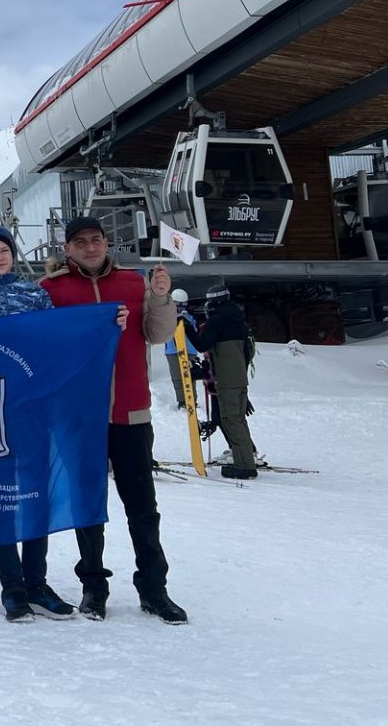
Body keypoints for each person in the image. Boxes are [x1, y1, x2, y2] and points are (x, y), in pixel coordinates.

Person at [40, 215, 186, 624]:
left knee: (142, 507)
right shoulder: (51, 290)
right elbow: (43, 344)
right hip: (78, 417)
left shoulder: (135, 282)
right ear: (67, 249)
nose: (90, 247)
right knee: (87, 505)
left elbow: (158, 335)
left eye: (96, 240)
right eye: (80, 242)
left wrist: (160, 297)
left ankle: (154, 588)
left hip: (130, 411)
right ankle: (93, 587)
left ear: (107, 244)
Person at [0, 226, 76, 623]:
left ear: (12, 253)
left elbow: (54, 342)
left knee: (36, 493)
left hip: (32, 408)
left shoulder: (35, 293)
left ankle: (37, 582)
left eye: (3, 250)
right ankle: (12, 585)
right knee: (3, 496)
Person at [194, 284, 258, 479]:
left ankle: (245, 466)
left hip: (227, 380)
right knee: (238, 420)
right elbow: (247, 353)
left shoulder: (217, 322)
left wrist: (187, 329)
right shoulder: (240, 321)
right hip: (240, 379)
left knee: (230, 421)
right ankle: (246, 458)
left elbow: (202, 344)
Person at [163, 289, 204, 411]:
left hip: (189, 349)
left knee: (190, 375)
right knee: (177, 376)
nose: (180, 308)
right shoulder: (167, 317)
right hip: (172, 350)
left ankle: (192, 400)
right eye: (178, 305)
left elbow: (196, 332)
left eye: (183, 305)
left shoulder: (190, 318)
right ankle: (182, 400)